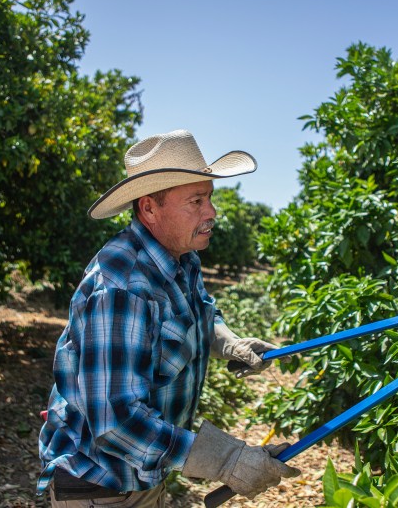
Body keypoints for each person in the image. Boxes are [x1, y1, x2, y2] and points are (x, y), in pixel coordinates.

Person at [37, 129, 300, 507]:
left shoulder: (181, 256)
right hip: (102, 486)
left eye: (209, 198)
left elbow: (203, 309)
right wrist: (226, 459)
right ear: (148, 209)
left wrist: (228, 342)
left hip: (143, 472)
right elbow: (117, 422)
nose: (211, 213)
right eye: (195, 201)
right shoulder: (122, 288)